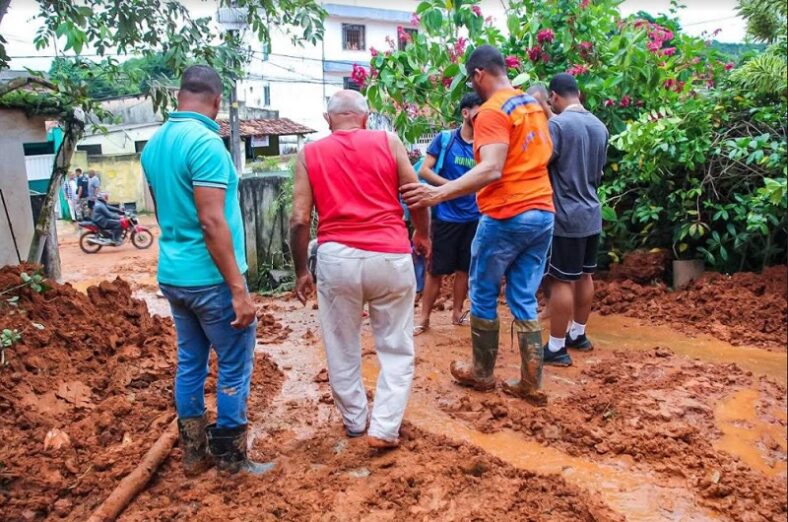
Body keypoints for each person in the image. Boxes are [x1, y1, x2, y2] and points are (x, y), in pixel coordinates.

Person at [401, 45, 554, 405]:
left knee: (483, 291)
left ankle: (482, 373)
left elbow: (491, 168)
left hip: (506, 213)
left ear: (479, 74)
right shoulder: (533, 106)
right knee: (522, 295)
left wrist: (436, 196)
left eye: (472, 79)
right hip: (543, 212)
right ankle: (532, 381)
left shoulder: (491, 111)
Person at [141, 65, 272, 476]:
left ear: (180, 96)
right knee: (234, 363)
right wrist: (238, 289)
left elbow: (165, 213)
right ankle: (232, 460)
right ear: (216, 101)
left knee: (191, 363)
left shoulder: (154, 143)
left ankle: (194, 455)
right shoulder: (206, 144)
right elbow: (211, 222)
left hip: (174, 275)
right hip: (211, 279)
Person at [290, 90, 431, 449]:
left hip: (337, 259)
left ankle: (355, 422)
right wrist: (423, 235)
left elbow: (298, 219)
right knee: (396, 346)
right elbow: (414, 194)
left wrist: (301, 271)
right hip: (391, 255)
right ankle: (384, 428)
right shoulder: (389, 140)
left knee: (341, 346)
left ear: (328, 120)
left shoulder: (310, 153)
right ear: (366, 118)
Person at [542, 73, 609, 366]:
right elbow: (599, 172)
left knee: (560, 281)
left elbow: (542, 163)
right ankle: (578, 334)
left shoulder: (557, 125)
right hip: (592, 212)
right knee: (584, 275)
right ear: (578, 93)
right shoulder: (600, 126)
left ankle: (556, 347)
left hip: (566, 215)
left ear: (554, 97)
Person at [414, 93, 482, 335]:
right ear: (465, 113)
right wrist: (450, 188)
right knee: (436, 270)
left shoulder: (484, 144)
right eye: (478, 112)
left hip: (474, 217)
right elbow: (424, 170)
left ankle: (457, 314)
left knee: (465, 268)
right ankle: (424, 319)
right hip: (445, 217)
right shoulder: (445, 140)